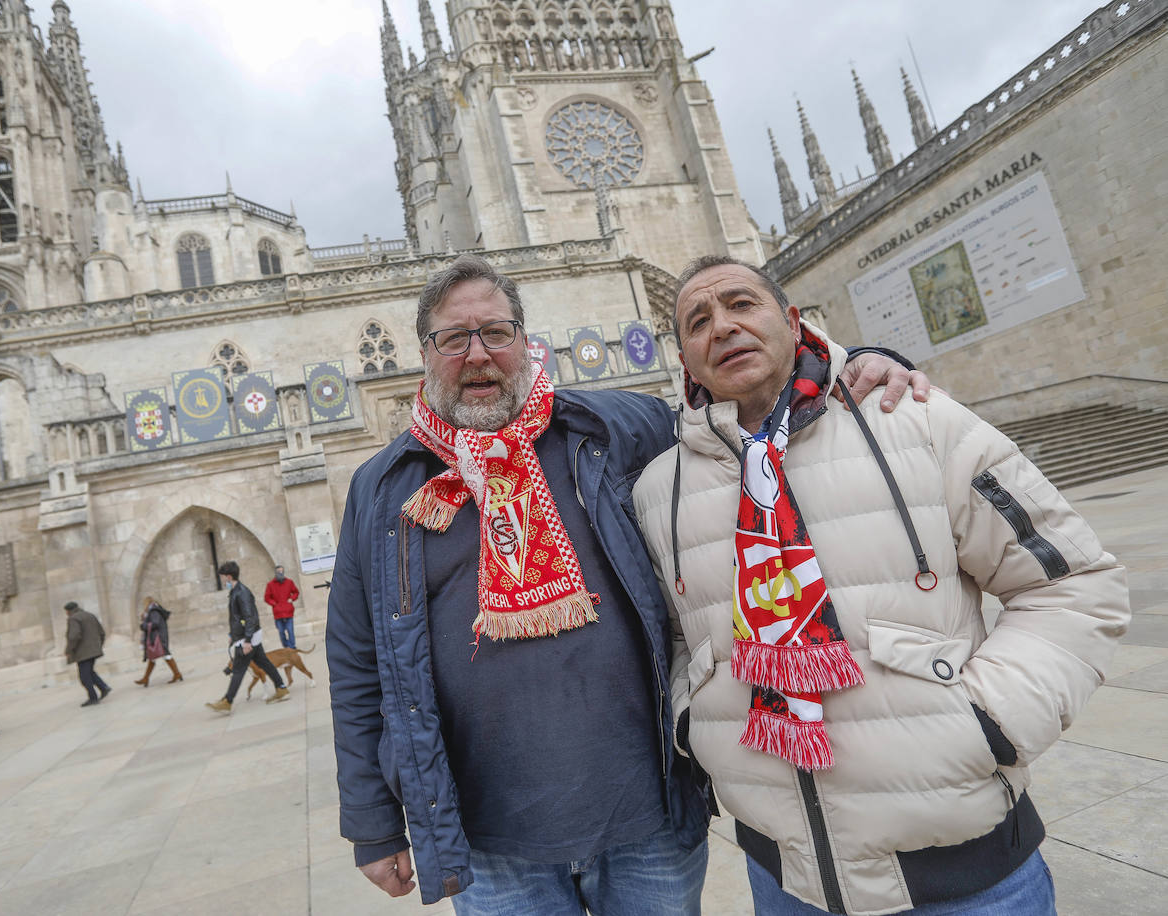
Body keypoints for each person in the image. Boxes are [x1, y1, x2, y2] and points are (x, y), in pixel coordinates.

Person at [325, 254, 927, 910]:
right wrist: (373, 823)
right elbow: (358, 662)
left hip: (648, 817)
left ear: (525, 342)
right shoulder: (384, 488)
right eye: (453, 338)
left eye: (496, 333)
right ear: (424, 353)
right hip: (491, 840)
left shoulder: (616, 429)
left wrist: (855, 362)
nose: (477, 355)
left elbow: (751, 415)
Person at [631, 255, 1130, 915]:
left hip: (969, 873)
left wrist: (990, 724)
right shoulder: (658, 491)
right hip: (786, 879)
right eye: (699, 320)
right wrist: (700, 727)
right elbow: (675, 636)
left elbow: (1073, 582)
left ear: (791, 321)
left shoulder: (917, 421)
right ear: (684, 359)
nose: (722, 326)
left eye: (741, 305)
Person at [207, 561, 289, 711]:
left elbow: (250, 617)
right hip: (246, 636)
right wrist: (233, 634)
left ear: (229, 577)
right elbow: (237, 617)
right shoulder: (236, 591)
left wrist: (247, 641)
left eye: (223, 577)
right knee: (264, 663)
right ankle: (281, 687)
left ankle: (227, 701)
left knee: (238, 669)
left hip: (248, 638)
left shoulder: (242, 592)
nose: (223, 581)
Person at [64, 601, 110, 707]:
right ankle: (104, 688)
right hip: (93, 650)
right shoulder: (90, 615)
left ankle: (93, 698)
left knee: (84, 677)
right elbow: (102, 632)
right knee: (89, 672)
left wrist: (69, 650)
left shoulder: (74, 618)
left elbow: (74, 636)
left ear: (68, 611)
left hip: (83, 653)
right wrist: (98, 646)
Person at [134, 596, 183, 686]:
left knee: (165, 656)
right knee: (153, 657)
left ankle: (177, 674)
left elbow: (155, 623)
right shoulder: (154, 610)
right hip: (159, 636)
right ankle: (146, 678)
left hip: (158, 638)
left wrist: (144, 625)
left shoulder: (153, 611)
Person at [264, 565, 300, 649]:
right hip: (278, 613)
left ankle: (292, 647)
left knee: (290, 631)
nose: (280, 573)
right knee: (281, 632)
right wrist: (274, 604)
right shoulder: (270, 585)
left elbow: (296, 592)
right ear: (275, 573)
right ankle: (286, 646)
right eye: (278, 572)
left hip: (288, 611)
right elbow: (267, 597)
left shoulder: (289, 582)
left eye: (282, 571)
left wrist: (292, 599)